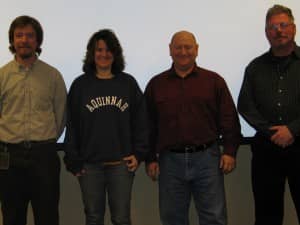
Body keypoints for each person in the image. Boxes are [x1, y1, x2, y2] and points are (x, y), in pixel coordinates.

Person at [144, 30, 241, 225]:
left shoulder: (214, 81)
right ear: (170, 50)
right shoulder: (156, 84)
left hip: (207, 159)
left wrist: (230, 151)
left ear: (196, 50)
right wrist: (149, 159)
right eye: (178, 47)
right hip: (170, 161)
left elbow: (229, 118)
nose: (183, 51)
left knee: (214, 218)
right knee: (173, 219)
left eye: (188, 47)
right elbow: (147, 126)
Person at [63, 29, 148, 225]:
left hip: (121, 165)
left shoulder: (128, 83)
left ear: (115, 54)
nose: (104, 54)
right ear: (92, 54)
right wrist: (73, 160)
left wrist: (139, 153)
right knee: (93, 217)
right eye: (99, 50)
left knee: (121, 219)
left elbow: (142, 122)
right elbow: (72, 126)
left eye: (109, 50)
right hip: (89, 166)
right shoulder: (80, 85)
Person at [0, 15, 67, 225]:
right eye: (19, 35)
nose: (24, 40)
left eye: (30, 35)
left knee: (47, 217)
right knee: (12, 217)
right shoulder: (2, 76)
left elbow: (61, 115)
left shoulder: (53, 76)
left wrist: (43, 142)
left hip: (44, 157)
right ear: (12, 41)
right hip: (9, 158)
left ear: (38, 41)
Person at [238, 4, 300, 225]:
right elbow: (245, 106)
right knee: (267, 216)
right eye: (273, 27)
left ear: (293, 28)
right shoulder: (254, 68)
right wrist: (271, 132)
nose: (279, 31)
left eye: (283, 25)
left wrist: (292, 129)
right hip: (267, 152)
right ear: (266, 33)